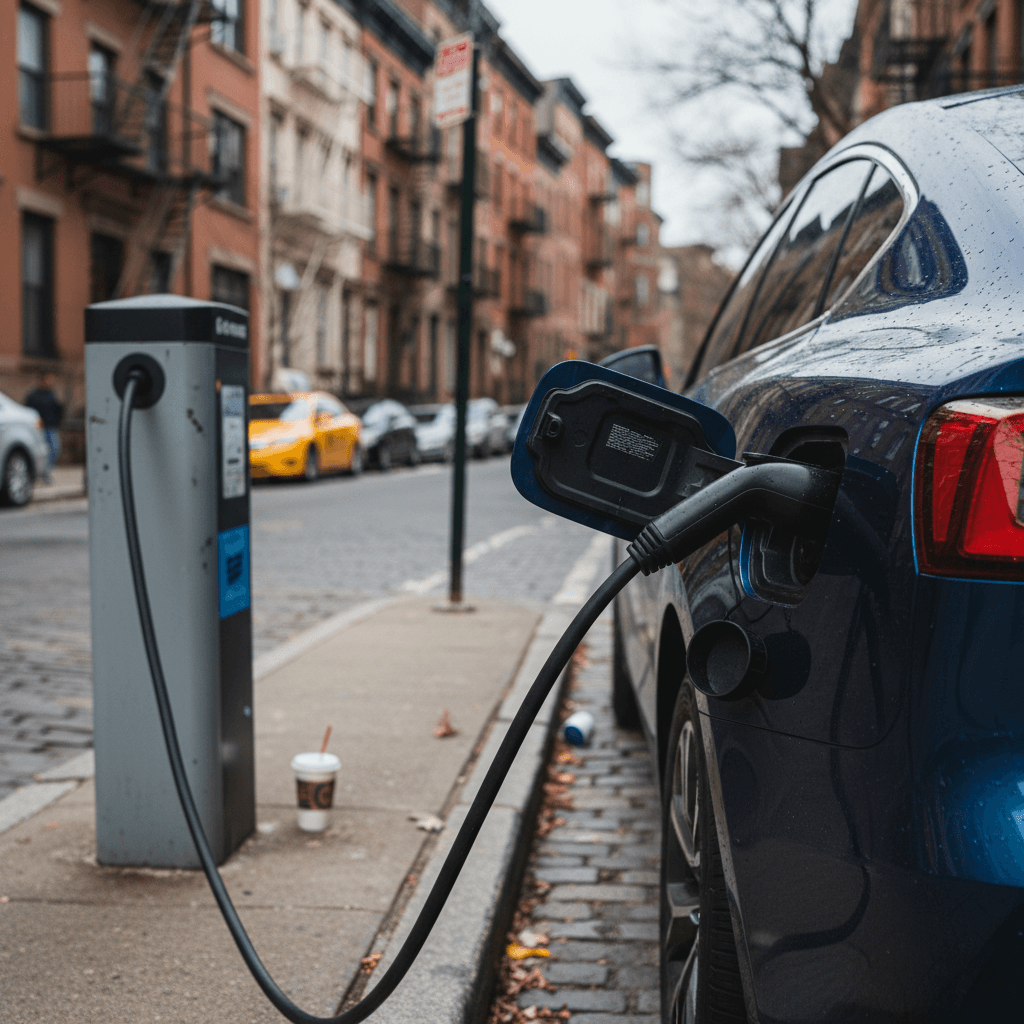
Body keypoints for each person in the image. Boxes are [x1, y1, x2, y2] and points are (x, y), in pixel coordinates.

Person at [23, 372, 64, 482]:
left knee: (55, 448)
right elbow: (29, 411)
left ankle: (46, 471)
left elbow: (57, 409)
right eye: (48, 379)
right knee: (41, 451)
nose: (51, 382)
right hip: (39, 428)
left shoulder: (52, 394)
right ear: (42, 380)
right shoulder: (33, 395)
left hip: (51, 426)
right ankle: (42, 473)